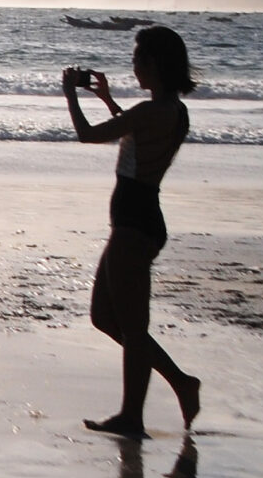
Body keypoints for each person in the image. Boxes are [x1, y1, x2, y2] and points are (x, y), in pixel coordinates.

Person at [63, 26, 200, 439]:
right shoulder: (171, 111)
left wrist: (69, 93)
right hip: (141, 222)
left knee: (132, 327)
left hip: (134, 226)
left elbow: (88, 135)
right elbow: (135, 131)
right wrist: (106, 99)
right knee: (105, 317)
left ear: (155, 64)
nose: (134, 66)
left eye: (138, 59)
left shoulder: (148, 111)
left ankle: (132, 417)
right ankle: (179, 382)